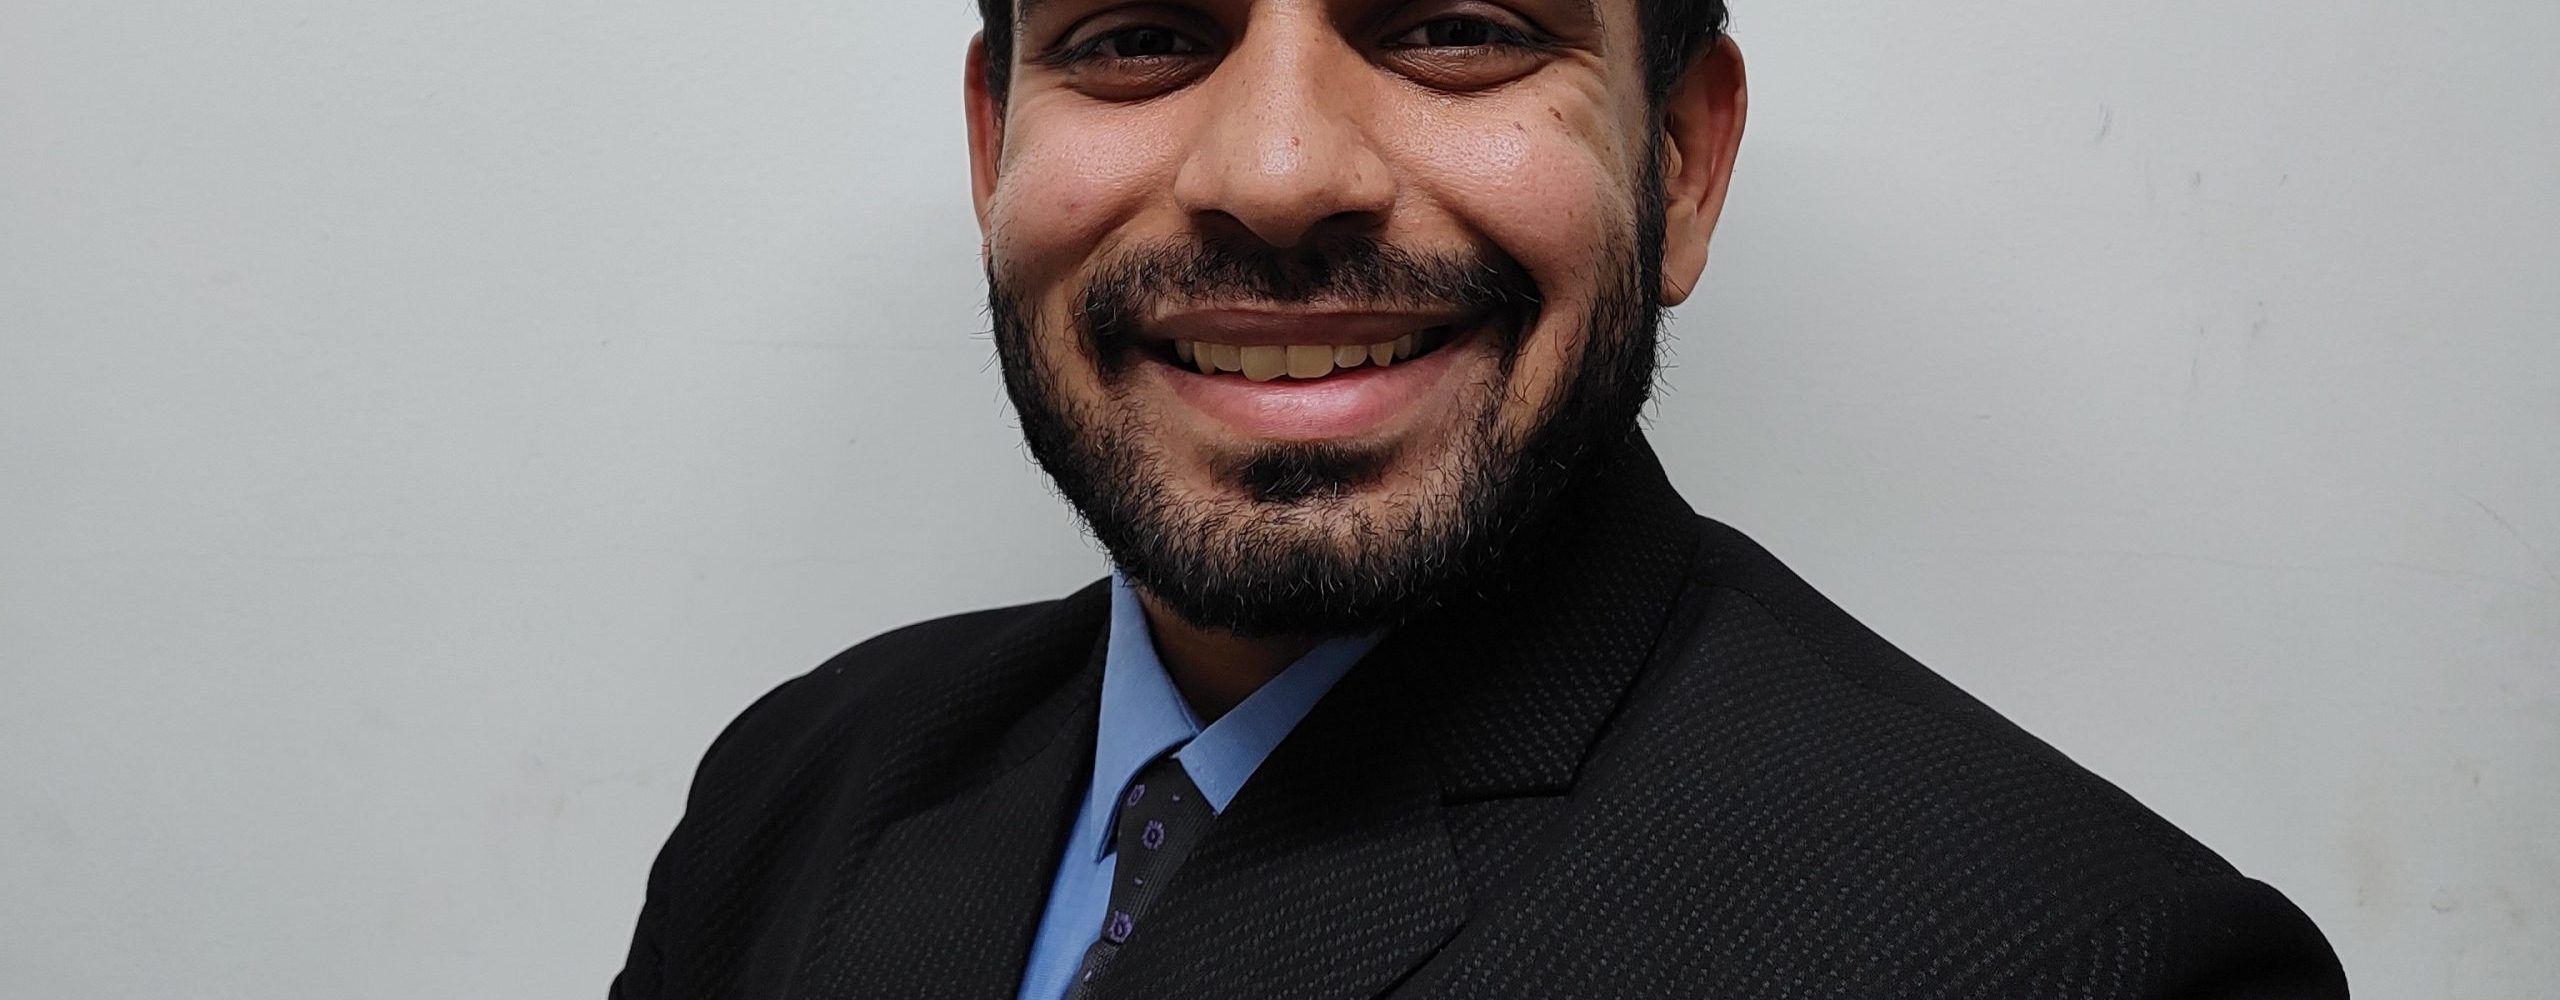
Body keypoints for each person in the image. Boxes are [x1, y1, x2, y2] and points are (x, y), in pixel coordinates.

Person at [612, 1, 2347, 997]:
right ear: (995, 150)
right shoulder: (796, 787)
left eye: (1456, 28)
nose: (1277, 172)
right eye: (1139, 35)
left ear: (1679, 161)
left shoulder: (2074, 964)